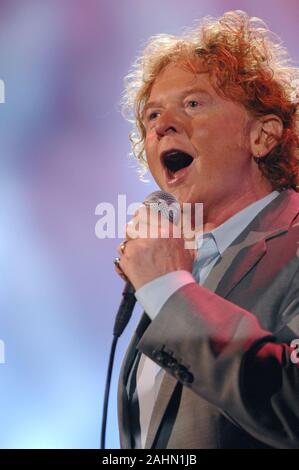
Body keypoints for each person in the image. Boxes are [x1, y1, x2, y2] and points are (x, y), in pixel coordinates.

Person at [115, 10, 299, 449]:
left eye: (194, 103)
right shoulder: (182, 267)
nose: (162, 125)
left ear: (262, 136)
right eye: (152, 114)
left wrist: (169, 292)